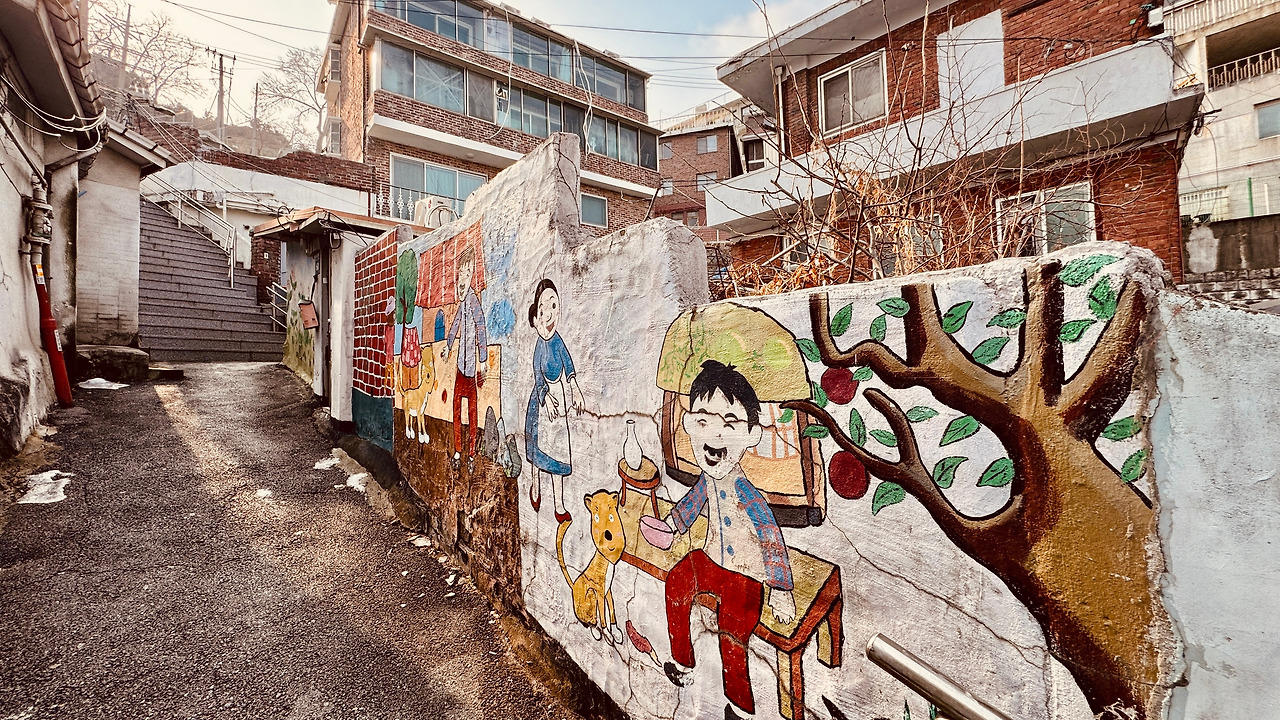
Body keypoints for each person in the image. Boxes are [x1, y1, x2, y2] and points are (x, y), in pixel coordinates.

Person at [659, 360, 795, 720]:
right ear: (690, 424)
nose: (714, 435)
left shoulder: (746, 492)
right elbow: (692, 504)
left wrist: (780, 589)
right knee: (676, 582)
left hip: (746, 578)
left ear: (750, 434)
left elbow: (770, 537)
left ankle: (740, 707)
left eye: (729, 423)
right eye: (703, 421)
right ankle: (683, 662)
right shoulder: (707, 479)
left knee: (732, 633)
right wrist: (671, 527)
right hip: (710, 560)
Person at [524, 279, 585, 523]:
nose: (548, 314)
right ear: (535, 319)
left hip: (559, 402)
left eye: (553, 305)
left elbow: (568, 364)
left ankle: (559, 504)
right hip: (542, 405)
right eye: (542, 309)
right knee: (538, 452)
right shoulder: (539, 347)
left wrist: (575, 388)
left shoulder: (558, 341)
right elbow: (537, 375)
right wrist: (545, 398)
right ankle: (535, 485)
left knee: (558, 453)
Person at [444, 246, 487, 462]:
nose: (463, 277)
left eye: (467, 273)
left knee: (471, 412)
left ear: (472, 276)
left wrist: (483, 360)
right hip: (461, 367)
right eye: (461, 272)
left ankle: (470, 453)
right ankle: (459, 450)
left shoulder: (473, 301)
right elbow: (455, 324)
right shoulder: (462, 303)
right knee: (456, 410)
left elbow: (481, 327)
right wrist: (448, 345)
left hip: (470, 369)